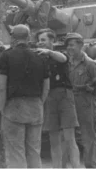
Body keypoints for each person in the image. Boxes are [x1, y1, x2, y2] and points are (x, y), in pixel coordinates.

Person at [0, 24, 50, 168]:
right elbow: (46, 86)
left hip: (14, 108)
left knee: (15, 152)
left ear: (12, 38)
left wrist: (3, 110)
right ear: (28, 37)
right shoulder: (41, 56)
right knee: (34, 151)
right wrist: (39, 103)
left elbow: (2, 87)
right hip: (35, 106)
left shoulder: (6, 56)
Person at [35, 28, 80, 168]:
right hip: (49, 98)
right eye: (39, 40)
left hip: (64, 96)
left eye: (43, 40)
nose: (40, 43)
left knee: (69, 138)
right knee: (53, 140)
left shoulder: (60, 54)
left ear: (52, 41)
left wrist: (48, 52)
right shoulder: (39, 58)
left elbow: (63, 59)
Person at [65, 33, 96, 169]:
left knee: (88, 136)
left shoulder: (90, 64)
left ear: (81, 45)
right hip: (70, 102)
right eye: (67, 45)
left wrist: (91, 98)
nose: (69, 48)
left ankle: (92, 166)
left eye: (72, 45)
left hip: (84, 101)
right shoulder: (68, 62)